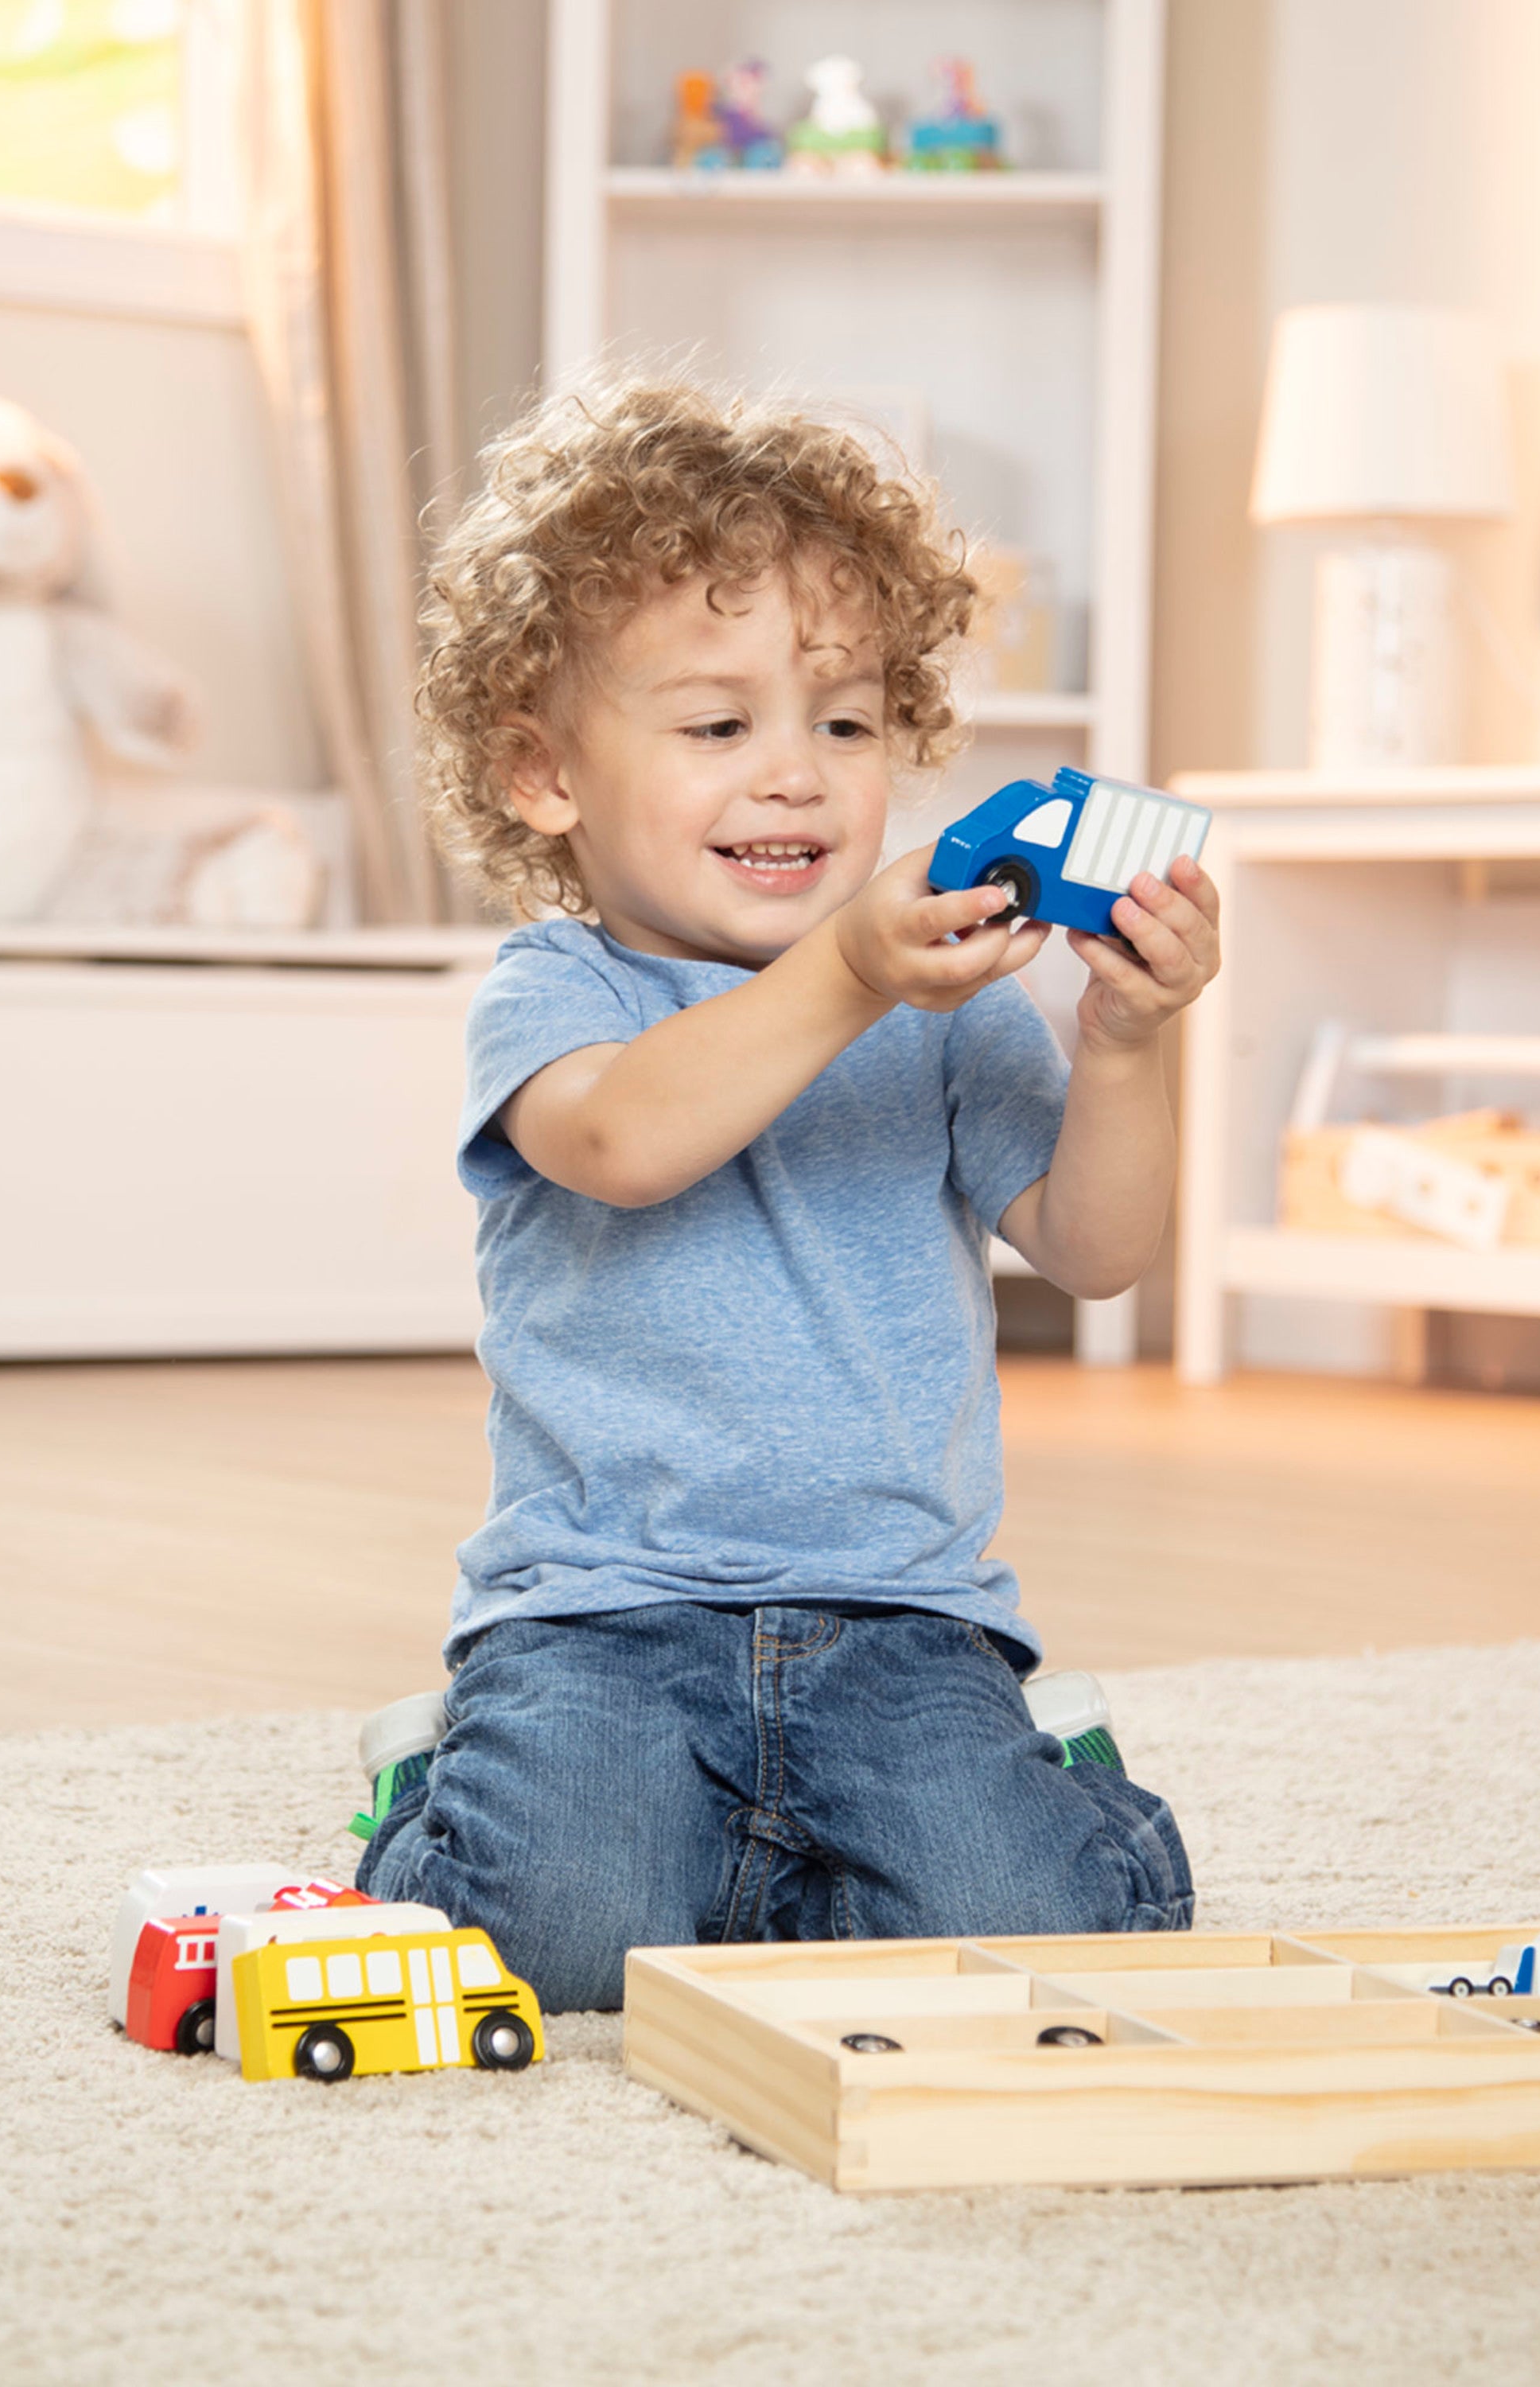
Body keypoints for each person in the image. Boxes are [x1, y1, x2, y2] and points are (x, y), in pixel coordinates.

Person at [357, 379, 1219, 2011]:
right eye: (716, 727)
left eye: (845, 722)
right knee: (545, 1945)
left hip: (903, 1619)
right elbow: (623, 1143)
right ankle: (439, 1792)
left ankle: (1016, 1791)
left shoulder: (944, 1005)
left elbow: (1098, 1252)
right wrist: (849, 972)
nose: (797, 778)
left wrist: (1125, 1039)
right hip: (601, 1617)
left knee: (1033, 1946)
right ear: (546, 772)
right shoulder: (558, 995)